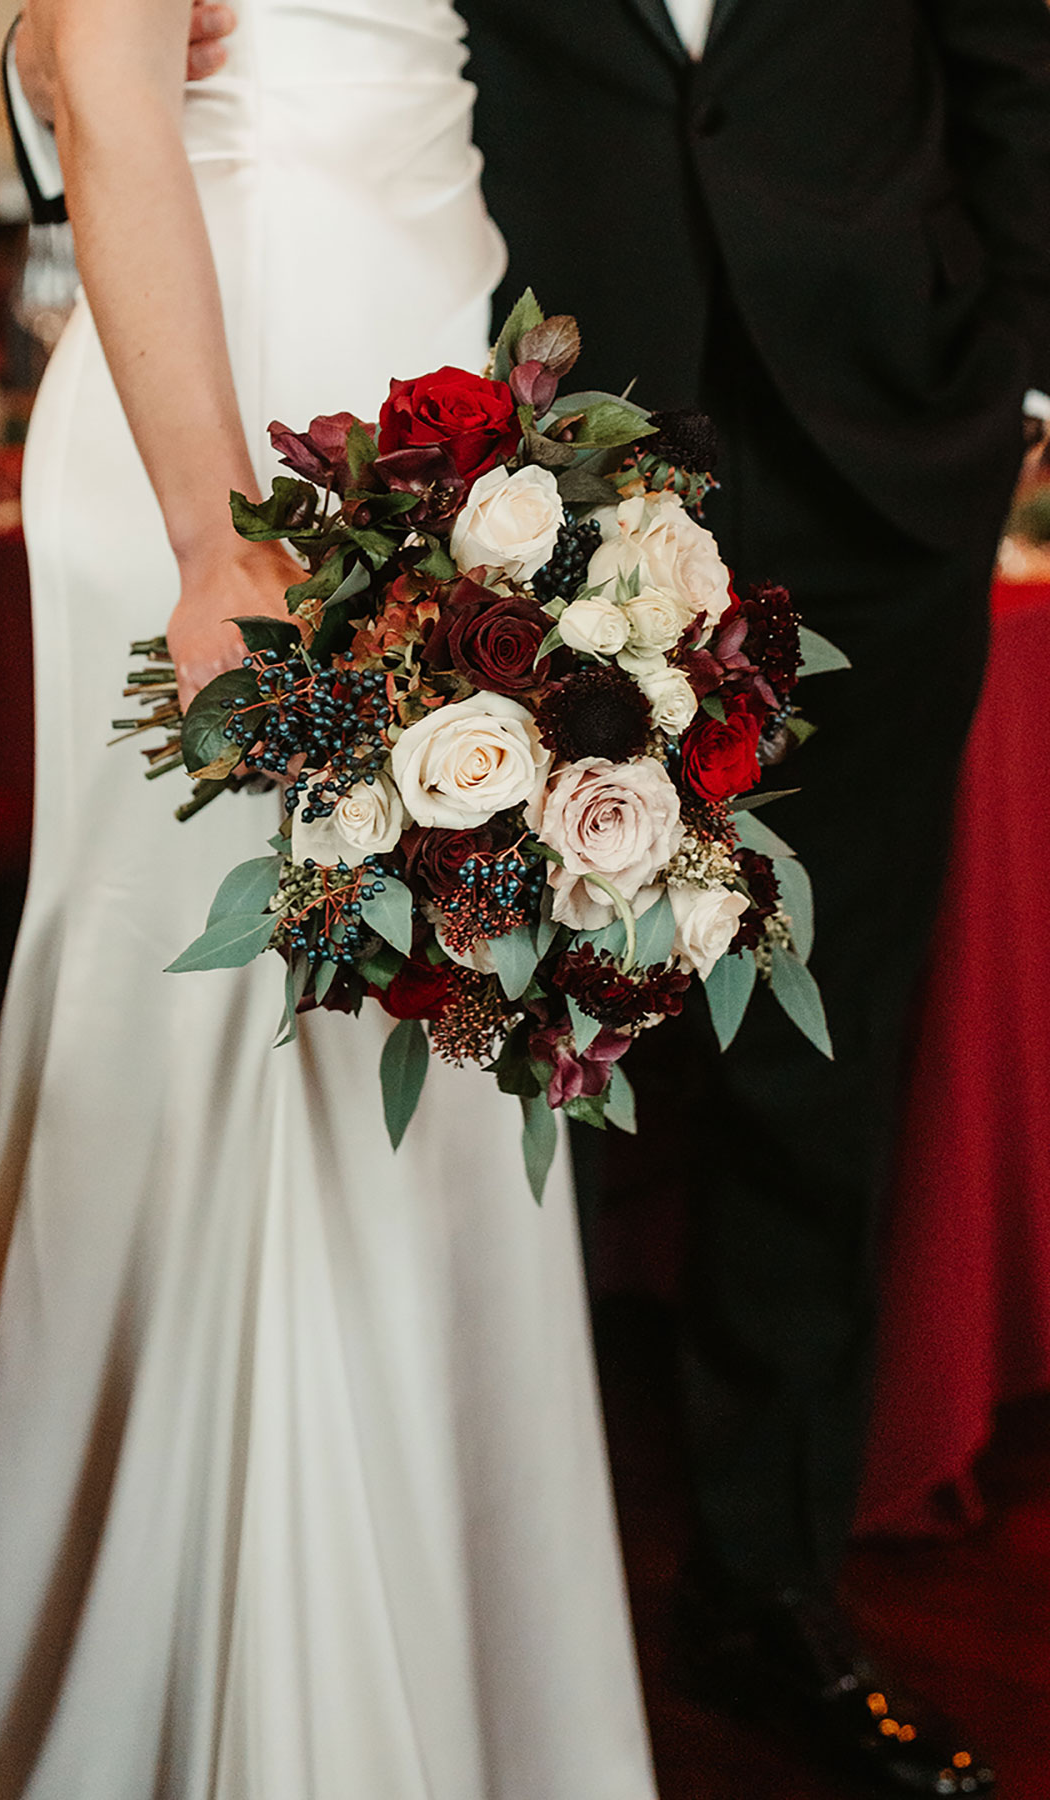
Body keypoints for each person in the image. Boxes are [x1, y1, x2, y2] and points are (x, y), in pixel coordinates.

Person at [0, 4, 658, 1797]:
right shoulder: (217, 502)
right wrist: (205, 532)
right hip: (231, 406)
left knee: (401, 1053)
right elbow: (111, 80)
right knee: (230, 1040)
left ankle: (439, 1695)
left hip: (408, 378)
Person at [455, 0, 1050, 1795]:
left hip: (880, 451)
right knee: (506, 1033)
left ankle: (765, 1581)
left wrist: (1015, 371)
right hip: (552, 478)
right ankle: (473, 1566)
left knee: (825, 1036)